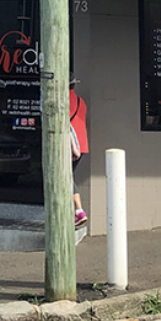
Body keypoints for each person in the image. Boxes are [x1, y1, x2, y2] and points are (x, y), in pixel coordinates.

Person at [69, 79, 89, 227]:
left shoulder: (61, 100)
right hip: (82, 145)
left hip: (70, 147)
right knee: (68, 177)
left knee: (66, 179)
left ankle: (78, 211)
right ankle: (76, 212)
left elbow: (65, 124)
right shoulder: (81, 101)